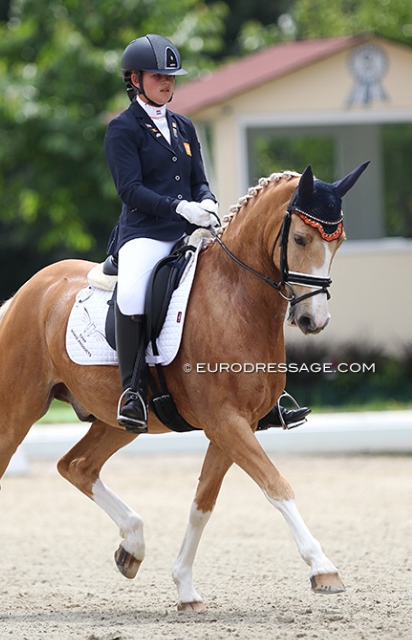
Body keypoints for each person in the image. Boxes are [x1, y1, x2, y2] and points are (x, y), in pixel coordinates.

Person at [105, 34, 309, 434]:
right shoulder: (122, 129)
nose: (167, 83)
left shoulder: (183, 125)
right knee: (131, 292)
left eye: (171, 76)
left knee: (246, 285)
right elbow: (130, 190)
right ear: (135, 79)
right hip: (146, 233)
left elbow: (199, 180)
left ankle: (268, 396)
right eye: (158, 75)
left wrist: (209, 201)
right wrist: (179, 208)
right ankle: (131, 391)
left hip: (191, 231)